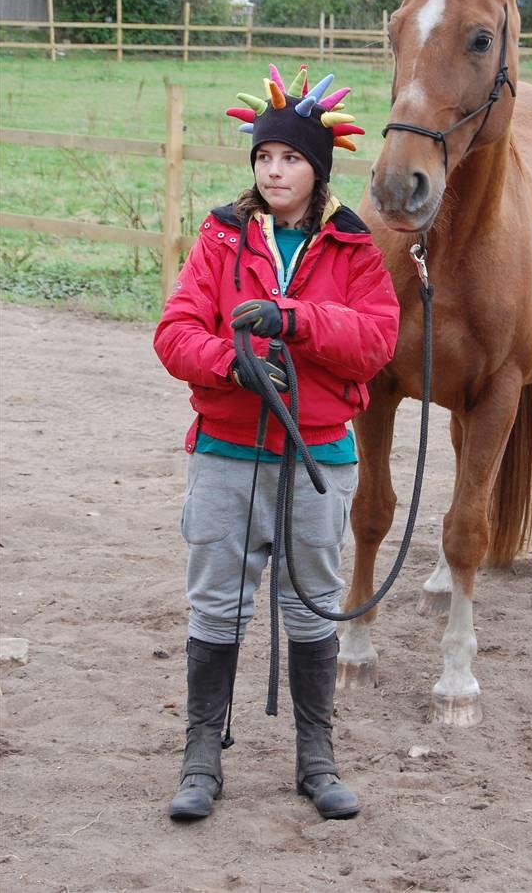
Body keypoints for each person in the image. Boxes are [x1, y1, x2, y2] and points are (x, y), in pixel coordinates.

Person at [154, 63, 399, 823]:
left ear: (316, 169)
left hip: (318, 457)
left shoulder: (355, 249)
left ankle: (316, 758)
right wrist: (235, 364)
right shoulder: (221, 239)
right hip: (227, 453)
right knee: (216, 605)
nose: (274, 169)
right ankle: (202, 754)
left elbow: (377, 340)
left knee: (313, 606)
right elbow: (174, 333)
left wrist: (293, 321)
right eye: (264, 157)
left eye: (290, 158)